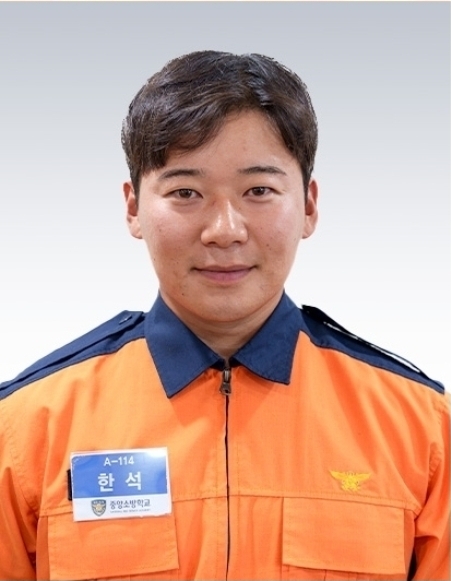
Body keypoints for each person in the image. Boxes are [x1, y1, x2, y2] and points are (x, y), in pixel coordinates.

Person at [0, 50, 448, 581]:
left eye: (259, 191)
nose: (225, 230)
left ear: (308, 205)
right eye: (185, 192)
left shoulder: (423, 428)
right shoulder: (26, 428)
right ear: (133, 207)